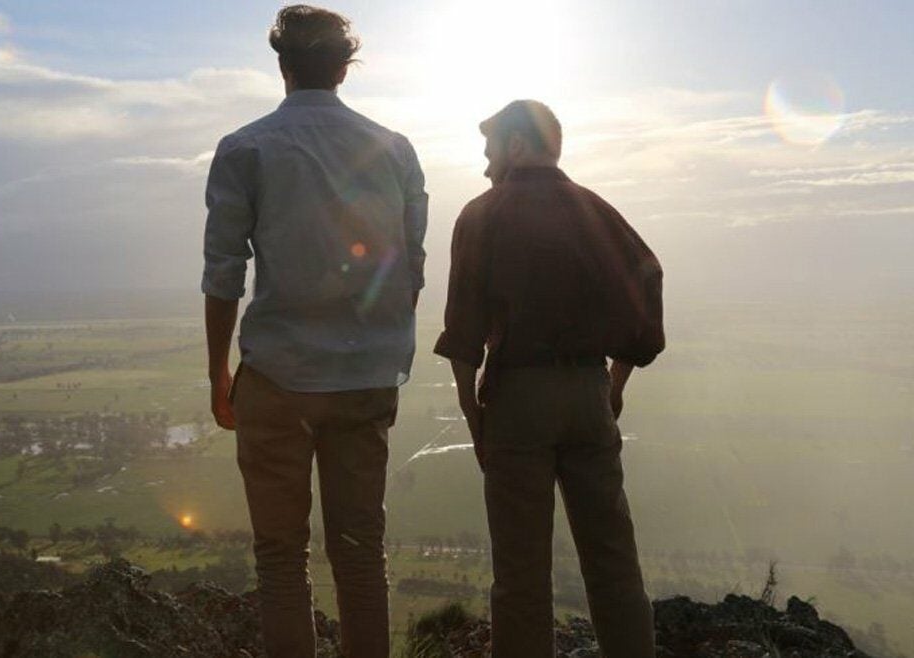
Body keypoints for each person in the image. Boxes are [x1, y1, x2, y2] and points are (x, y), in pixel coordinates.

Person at [201, 5, 427, 657]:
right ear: (343, 70)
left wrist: (220, 375)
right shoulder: (396, 151)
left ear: (283, 65)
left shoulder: (245, 148)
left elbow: (223, 277)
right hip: (366, 379)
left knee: (279, 561)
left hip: (276, 377)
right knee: (361, 558)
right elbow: (409, 273)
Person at [434, 99, 664, 658]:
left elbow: (463, 327)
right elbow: (647, 279)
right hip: (588, 393)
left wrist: (472, 411)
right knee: (612, 560)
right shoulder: (595, 210)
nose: (487, 165)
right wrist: (616, 381)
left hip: (518, 399)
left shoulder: (482, 214)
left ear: (516, 145)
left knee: (520, 572)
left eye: (491, 150)